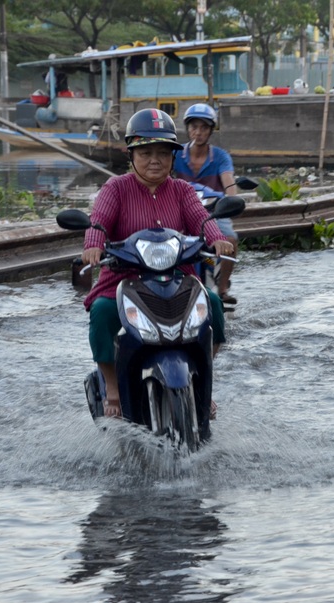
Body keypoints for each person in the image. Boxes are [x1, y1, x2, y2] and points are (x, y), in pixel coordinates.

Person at [82, 108, 233, 419]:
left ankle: (203, 380)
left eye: (163, 153)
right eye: (146, 152)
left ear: (172, 157)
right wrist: (94, 245)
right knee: (102, 312)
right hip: (124, 279)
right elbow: (98, 221)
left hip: (178, 277)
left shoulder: (181, 190)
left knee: (214, 305)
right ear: (132, 154)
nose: (155, 160)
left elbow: (201, 219)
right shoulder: (116, 188)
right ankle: (112, 385)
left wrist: (217, 237)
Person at [173, 103, 240, 304]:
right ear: (187, 129)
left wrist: (231, 200)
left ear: (211, 131)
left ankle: (222, 288)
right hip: (181, 211)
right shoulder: (176, 154)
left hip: (213, 212)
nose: (198, 132)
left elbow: (229, 183)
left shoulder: (220, 157)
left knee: (231, 239)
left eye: (203, 128)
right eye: (194, 127)